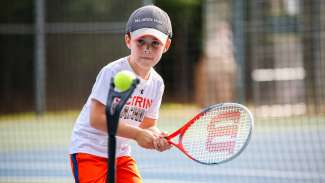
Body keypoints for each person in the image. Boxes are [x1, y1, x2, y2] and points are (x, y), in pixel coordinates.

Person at [69, 5, 173, 183]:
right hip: (89, 151)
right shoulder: (112, 72)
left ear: (166, 46)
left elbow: (147, 125)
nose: (147, 49)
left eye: (155, 43)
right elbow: (96, 119)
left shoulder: (157, 83)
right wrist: (137, 135)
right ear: (128, 40)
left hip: (120, 156)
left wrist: (157, 138)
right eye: (141, 41)